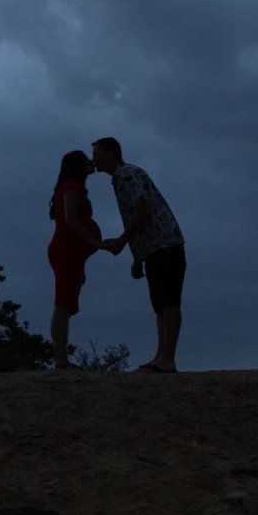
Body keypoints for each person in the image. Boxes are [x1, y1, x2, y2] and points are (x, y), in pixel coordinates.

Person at [90, 136, 185, 372]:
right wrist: (138, 257)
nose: (94, 160)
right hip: (155, 248)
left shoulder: (127, 176)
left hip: (165, 244)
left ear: (111, 153)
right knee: (160, 303)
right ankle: (162, 356)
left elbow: (143, 212)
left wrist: (122, 242)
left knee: (169, 301)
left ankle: (167, 358)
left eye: (97, 154)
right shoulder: (121, 178)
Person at [46, 149, 105, 369]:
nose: (92, 162)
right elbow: (71, 221)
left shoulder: (73, 188)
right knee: (63, 304)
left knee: (66, 303)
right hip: (66, 250)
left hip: (72, 252)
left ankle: (61, 358)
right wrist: (96, 241)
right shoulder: (71, 188)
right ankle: (61, 360)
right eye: (86, 160)